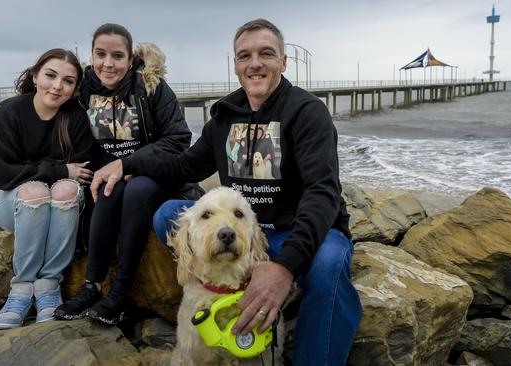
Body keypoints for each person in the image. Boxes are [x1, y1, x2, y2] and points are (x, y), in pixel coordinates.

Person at [92, 19, 362, 365]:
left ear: (283, 61)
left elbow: (322, 194)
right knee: (167, 215)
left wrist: (283, 267)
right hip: (234, 228)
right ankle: (213, 288)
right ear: (235, 64)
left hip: (292, 231)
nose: (255, 64)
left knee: (328, 264)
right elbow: (185, 167)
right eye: (244, 56)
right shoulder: (225, 115)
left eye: (266, 54)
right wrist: (128, 164)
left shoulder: (307, 112)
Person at [54, 23, 198, 326]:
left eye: (117, 56)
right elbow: (44, 94)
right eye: (101, 54)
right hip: (106, 176)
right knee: (105, 189)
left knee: (133, 190)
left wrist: (131, 163)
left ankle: (119, 293)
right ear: (91, 55)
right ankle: (92, 287)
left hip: (149, 174)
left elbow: (178, 137)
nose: (109, 63)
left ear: (130, 59)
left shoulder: (150, 86)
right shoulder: (82, 87)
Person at [0, 48, 103, 329]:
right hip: (10, 203)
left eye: (68, 81)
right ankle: (21, 290)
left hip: (57, 203)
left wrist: (50, 173)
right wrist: (59, 169)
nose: (57, 86)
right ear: (36, 76)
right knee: (36, 191)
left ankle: (49, 286)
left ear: (74, 89)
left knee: (67, 191)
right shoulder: (10, 111)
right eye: (50, 76)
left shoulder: (74, 116)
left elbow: (83, 171)